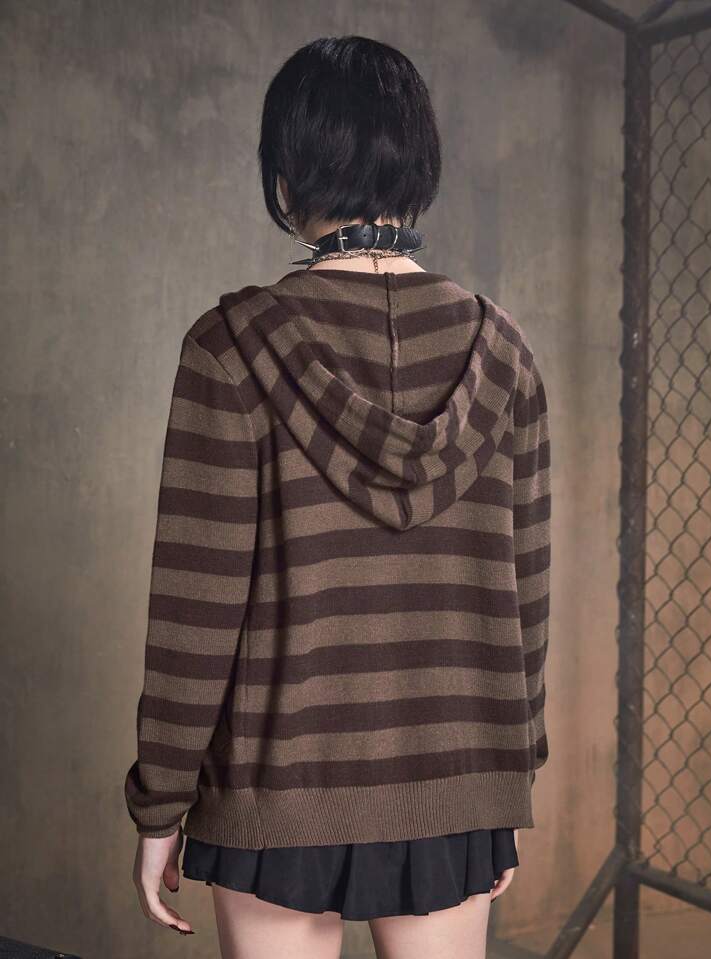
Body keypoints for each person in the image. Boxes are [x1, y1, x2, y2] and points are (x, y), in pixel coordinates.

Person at [124, 34, 551, 959]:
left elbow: (197, 607)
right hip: (457, 781)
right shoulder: (506, 354)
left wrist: (160, 803)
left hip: (279, 788)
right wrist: (508, 781)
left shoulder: (230, 348)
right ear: (418, 167)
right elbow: (528, 597)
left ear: (287, 178)